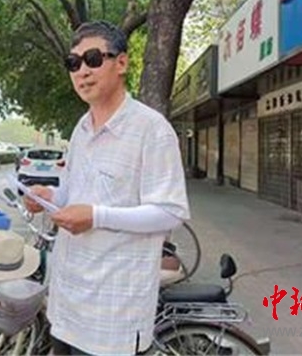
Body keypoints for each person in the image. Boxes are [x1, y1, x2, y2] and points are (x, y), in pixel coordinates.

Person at [25, 21, 190, 355]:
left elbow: (170, 212)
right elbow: (72, 195)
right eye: (73, 63)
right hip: (66, 304)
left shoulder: (152, 129)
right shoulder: (81, 129)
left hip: (112, 316)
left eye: (93, 59)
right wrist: (48, 198)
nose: (82, 71)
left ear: (122, 63)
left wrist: (97, 216)